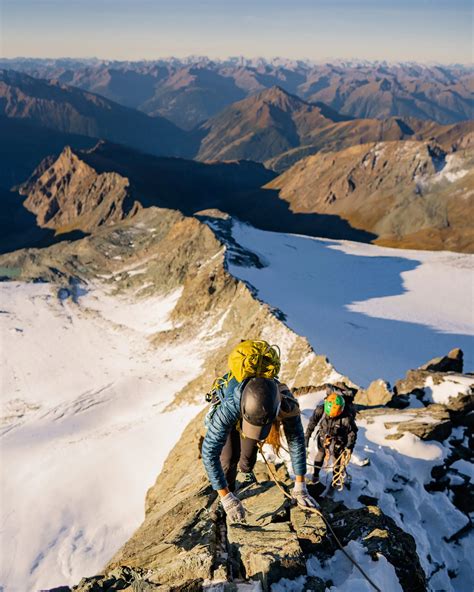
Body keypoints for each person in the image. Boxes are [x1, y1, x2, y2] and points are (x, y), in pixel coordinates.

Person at [202, 341, 317, 523]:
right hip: (232, 411)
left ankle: (246, 471)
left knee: (247, 456)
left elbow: (296, 442)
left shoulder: (286, 403)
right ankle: (227, 491)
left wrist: (300, 485)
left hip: (255, 410)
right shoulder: (231, 404)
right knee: (228, 458)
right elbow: (209, 452)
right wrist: (226, 498)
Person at [305, 388, 358, 484]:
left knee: (336, 460)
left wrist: (349, 446)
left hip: (338, 441)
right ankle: (316, 475)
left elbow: (352, 433)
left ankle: (336, 480)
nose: (330, 416)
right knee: (320, 455)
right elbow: (312, 422)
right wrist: (307, 435)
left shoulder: (346, 418)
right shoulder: (321, 410)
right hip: (323, 437)